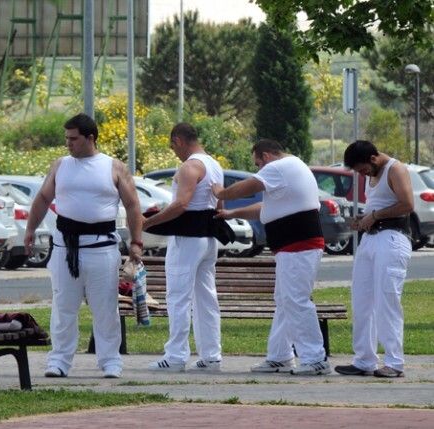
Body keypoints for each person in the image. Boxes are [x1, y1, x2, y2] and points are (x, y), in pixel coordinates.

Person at [24, 113, 143, 379]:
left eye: (74, 139)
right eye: (66, 138)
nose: (69, 143)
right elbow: (43, 198)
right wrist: (30, 229)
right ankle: (59, 361)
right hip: (65, 247)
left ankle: (110, 361)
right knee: (64, 307)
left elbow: (133, 205)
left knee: (105, 308)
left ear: (90, 138)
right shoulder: (60, 165)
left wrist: (137, 242)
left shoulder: (113, 167)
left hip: (101, 248)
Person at [212, 139, 331, 375]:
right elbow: (265, 209)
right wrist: (232, 213)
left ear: (266, 156)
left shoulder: (278, 168)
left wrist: (221, 192)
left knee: (295, 300)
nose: (258, 169)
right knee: (285, 301)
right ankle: (280, 356)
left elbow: (249, 187)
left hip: (298, 244)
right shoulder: (291, 167)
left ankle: (315, 358)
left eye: (258, 163)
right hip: (293, 246)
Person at [143, 123, 224, 372]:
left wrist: (149, 222)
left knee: (178, 296)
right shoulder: (215, 165)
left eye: (172, 145)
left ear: (178, 140)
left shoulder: (190, 166)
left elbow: (181, 204)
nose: (173, 151)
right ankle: (211, 356)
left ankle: (176, 356)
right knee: (206, 297)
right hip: (208, 237)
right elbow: (221, 200)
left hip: (187, 238)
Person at [335, 140, 413, 378]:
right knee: (362, 301)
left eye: (362, 169)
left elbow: (407, 204)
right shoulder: (372, 174)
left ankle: (394, 362)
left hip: (392, 238)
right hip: (370, 238)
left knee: (386, 301)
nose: (362, 174)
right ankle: (364, 359)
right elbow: (378, 204)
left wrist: (375, 215)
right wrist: (364, 219)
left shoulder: (395, 169)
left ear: (373, 158)